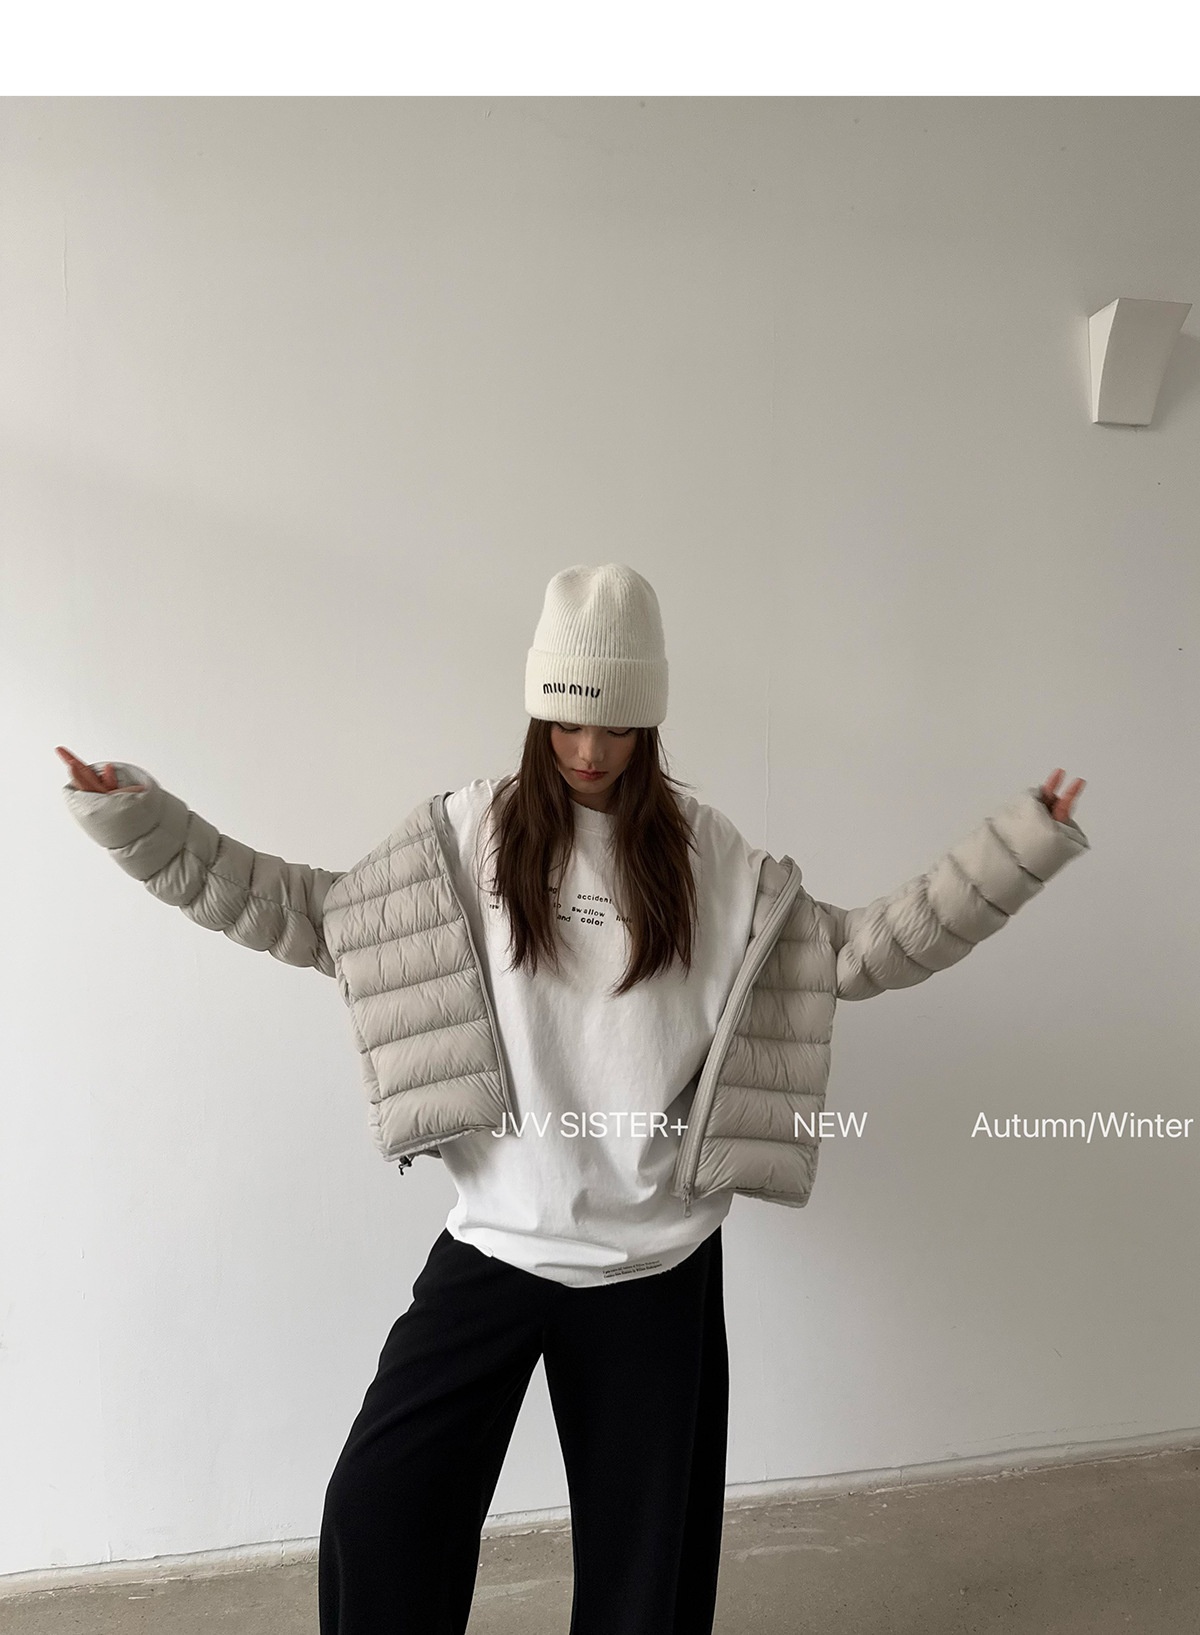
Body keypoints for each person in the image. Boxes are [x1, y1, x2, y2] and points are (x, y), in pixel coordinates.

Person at [57, 562, 1089, 1635]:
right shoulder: (468, 832)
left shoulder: (711, 857)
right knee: (378, 1512)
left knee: (647, 1590)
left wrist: (1016, 850)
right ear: (536, 710)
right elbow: (313, 915)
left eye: (614, 726)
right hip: (500, 1240)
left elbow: (854, 953)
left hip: (655, 1261)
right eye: (564, 721)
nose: (588, 749)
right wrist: (139, 823)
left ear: (649, 722)